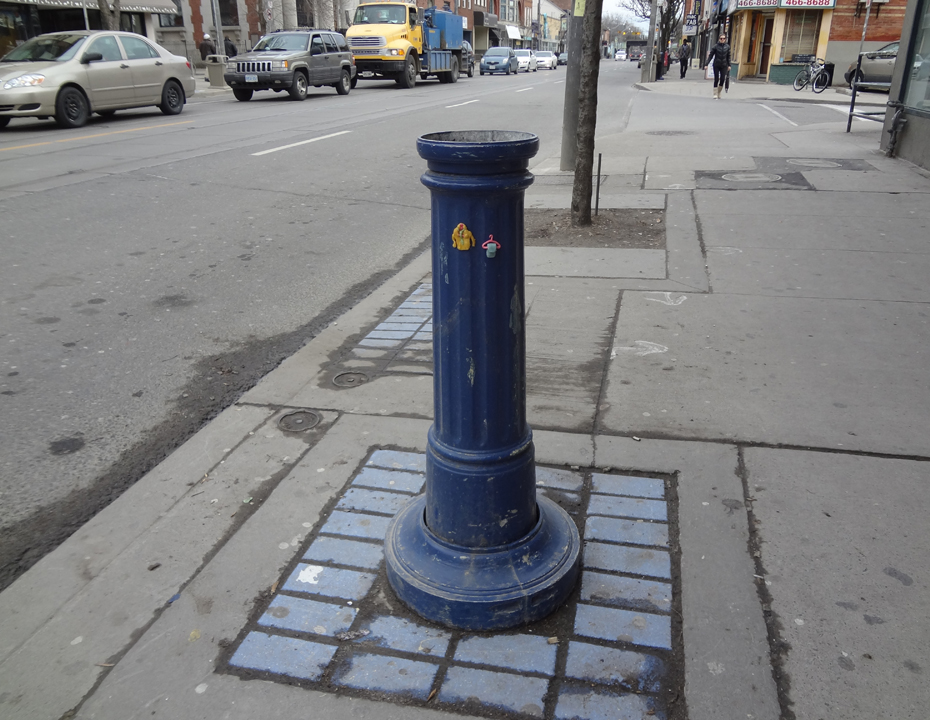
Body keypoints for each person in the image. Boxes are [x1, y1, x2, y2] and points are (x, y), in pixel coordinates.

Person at [707, 33, 731, 99]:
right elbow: (710, 56)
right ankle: (715, 93)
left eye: (724, 38)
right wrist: (706, 64)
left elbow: (728, 57)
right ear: (719, 39)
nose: (722, 40)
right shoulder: (715, 47)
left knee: (722, 79)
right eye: (721, 38)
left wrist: (729, 65)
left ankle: (719, 92)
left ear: (725, 39)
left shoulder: (727, 47)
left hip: (724, 65)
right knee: (716, 79)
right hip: (716, 64)